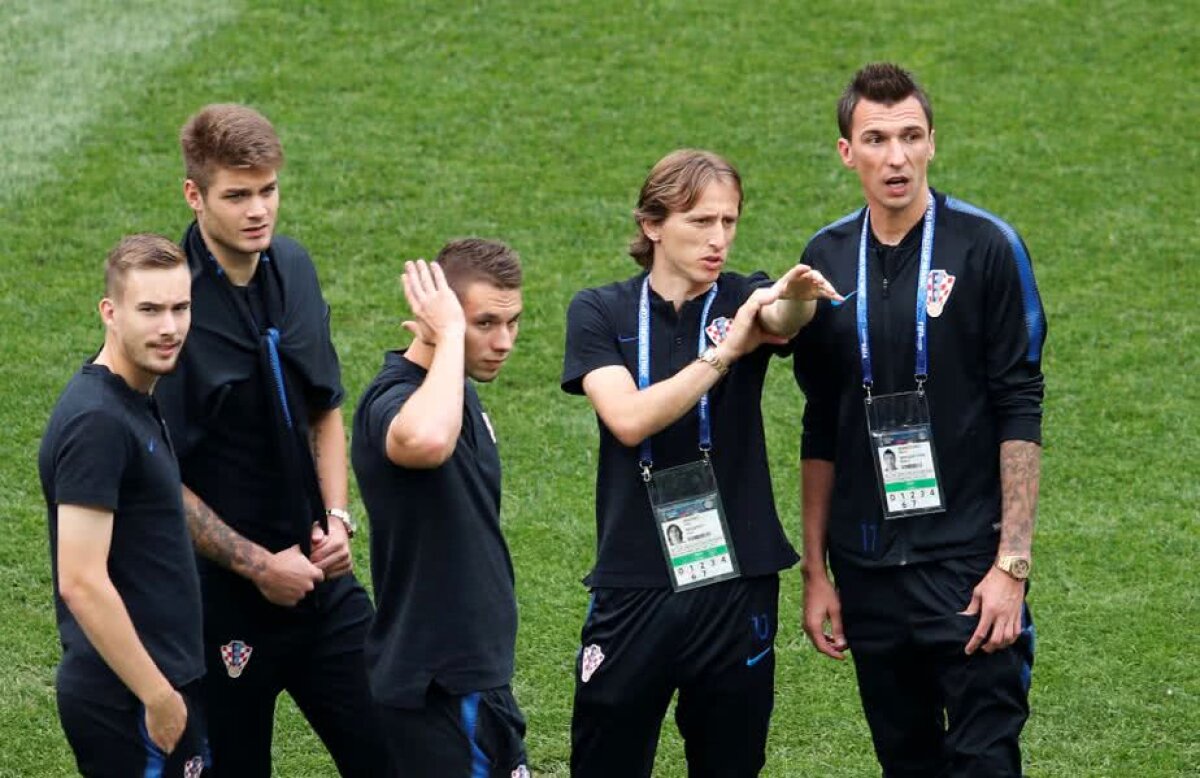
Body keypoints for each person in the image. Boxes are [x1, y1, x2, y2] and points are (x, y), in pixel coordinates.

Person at [792, 62, 1046, 776]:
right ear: (847, 152)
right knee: (905, 762)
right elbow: (820, 422)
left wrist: (1011, 567)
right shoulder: (825, 258)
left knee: (985, 760)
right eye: (876, 139)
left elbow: (1020, 404)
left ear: (933, 141)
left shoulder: (987, 246)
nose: (896, 157)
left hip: (968, 567)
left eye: (910, 136)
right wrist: (816, 571)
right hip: (868, 571)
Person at [561, 149, 840, 777]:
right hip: (634, 579)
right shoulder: (600, 311)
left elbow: (781, 315)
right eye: (700, 221)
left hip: (737, 580)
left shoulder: (742, 296)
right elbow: (628, 419)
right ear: (653, 225)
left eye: (729, 221)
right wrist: (724, 354)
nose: (719, 239)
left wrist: (797, 298)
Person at [154, 103, 387, 776]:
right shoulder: (167, 313)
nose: (258, 211)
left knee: (393, 752)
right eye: (237, 196)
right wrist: (259, 566)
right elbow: (157, 475)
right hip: (221, 606)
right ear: (194, 194)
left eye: (268, 190)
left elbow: (324, 407)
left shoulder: (294, 266)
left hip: (323, 583)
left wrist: (337, 518)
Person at [352, 239, 530, 778]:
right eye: (484, 323)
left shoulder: (456, 391)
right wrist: (450, 335)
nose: (503, 342)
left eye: (513, 322)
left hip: (472, 676)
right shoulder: (391, 398)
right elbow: (426, 441)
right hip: (441, 684)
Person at [39, 234, 209, 776]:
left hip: (155, 686)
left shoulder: (133, 398)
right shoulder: (98, 423)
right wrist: (158, 697)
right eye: (150, 310)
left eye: (180, 308)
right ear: (109, 313)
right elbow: (81, 581)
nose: (170, 327)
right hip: (129, 699)